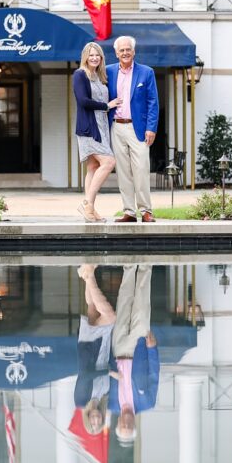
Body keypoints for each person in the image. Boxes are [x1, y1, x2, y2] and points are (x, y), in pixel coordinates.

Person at [106, 35, 159, 222]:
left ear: (134, 51)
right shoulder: (109, 71)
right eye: (121, 50)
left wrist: (151, 128)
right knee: (123, 171)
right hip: (116, 127)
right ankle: (129, 211)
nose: (125, 52)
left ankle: (146, 211)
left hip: (139, 128)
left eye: (128, 49)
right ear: (116, 53)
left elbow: (153, 102)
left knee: (141, 169)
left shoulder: (146, 72)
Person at [107, 264, 159, 446]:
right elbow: (154, 376)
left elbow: (99, 381)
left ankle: (129, 267)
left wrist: (109, 371)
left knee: (124, 304)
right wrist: (152, 350)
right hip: (139, 350)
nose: (127, 422)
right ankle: (145, 265)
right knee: (142, 308)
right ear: (135, 424)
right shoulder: (148, 403)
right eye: (130, 426)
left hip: (118, 351)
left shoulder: (111, 404)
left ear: (119, 423)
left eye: (123, 425)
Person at [73, 42, 122, 222]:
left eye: (98, 55)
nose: (94, 58)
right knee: (109, 162)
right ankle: (87, 204)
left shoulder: (100, 76)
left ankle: (90, 211)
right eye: (91, 55)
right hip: (88, 128)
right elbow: (83, 101)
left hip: (102, 127)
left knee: (93, 167)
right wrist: (106, 105)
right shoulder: (80, 75)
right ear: (85, 56)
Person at [74, 263, 117, 435]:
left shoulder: (81, 401)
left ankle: (89, 274)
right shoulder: (104, 398)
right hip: (102, 347)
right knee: (92, 309)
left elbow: (85, 375)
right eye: (99, 423)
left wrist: (109, 373)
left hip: (89, 348)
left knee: (110, 317)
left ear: (87, 419)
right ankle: (85, 273)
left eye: (92, 423)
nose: (96, 420)